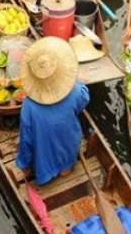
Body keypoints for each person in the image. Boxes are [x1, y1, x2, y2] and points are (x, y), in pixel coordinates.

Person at [16, 37, 89, 185]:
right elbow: (84, 99)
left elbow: (26, 140)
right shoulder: (75, 91)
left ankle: (47, 174)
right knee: (66, 163)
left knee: (43, 161)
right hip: (69, 147)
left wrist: (24, 164)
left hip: (44, 158)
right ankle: (65, 170)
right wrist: (78, 81)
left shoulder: (28, 106)